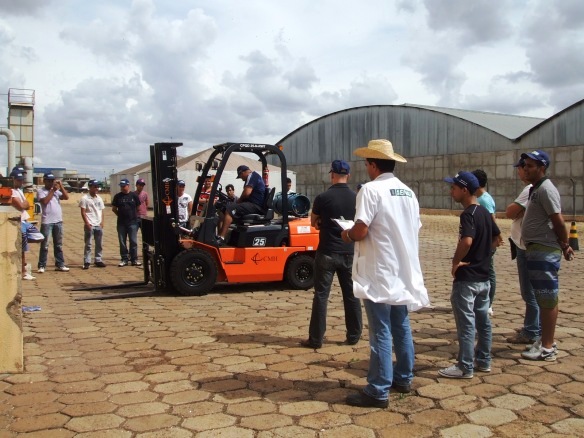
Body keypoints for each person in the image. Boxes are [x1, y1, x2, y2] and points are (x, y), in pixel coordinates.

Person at [341, 139, 429, 408]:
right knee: (401, 325)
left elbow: (361, 229)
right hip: (402, 268)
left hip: (379, 269)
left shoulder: (370, 190)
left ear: (373, 165)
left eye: (367, 164)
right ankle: (403, 377)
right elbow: (414, 227)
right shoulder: (408, 192)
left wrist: (347, 234)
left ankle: (378, 389)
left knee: (380, 329)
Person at [439, 171, 501, 379]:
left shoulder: (468, 214)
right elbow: (497, 238)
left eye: (454, 188)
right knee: (483, 322)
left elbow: (466, 241)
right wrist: (483, 255)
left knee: (466, 324)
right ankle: (484, 360)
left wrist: (456, 261)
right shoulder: (484, 212)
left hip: (467, 279)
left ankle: (465, 366)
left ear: (464, 190)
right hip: (483, 278)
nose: (451, 192)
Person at [301, 160, 362, 350]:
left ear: (332, 175)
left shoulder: (323, 197)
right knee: (351, 295)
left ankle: (316, 339)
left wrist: (322, 222)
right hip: (349, 251)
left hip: (327, 251)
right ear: (348, 176)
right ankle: (354, 335)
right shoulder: (357, 198)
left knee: (321, 295)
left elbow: (313, 222)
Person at [519, 150, 574, 361]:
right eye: (525, 165)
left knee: (547, 296)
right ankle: (544, 339)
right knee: (543, 297)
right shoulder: (536, 189)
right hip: (536, 249)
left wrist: (565, 244)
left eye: (530, 166)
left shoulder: (546, 189)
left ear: (542, 168)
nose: (525, 169)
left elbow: (558, 221)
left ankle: (548, 347)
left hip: (544, 250)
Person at [505, 158, 539, 344]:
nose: (521, 171)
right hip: (523, 244)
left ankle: (532, 331)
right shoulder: (531, 189)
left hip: (526, 247)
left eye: (523, 168)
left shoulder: (530, 190)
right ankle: (533, 325)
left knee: (529, 292)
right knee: (532, 291)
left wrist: (516, 210)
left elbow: (510, 212)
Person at [472, 169, 501, 315]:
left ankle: (488, 304)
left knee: (489, 272)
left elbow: (491, 220)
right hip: (485, 241)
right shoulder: (483, 197)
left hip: (487, 242)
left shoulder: (484, 199)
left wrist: (495, 237)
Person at [216, 165, 265, 245]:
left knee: (230, 209)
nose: (242, 179)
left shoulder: (252, 176)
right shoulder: (251, 177)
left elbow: (246, 193)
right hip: (249, 204)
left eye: (240, 176)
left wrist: (238, 201)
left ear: (242, 173)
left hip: (255, 205)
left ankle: (222, 238)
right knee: (223, 209)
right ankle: (219, 235)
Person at [37, 172, 70, 273]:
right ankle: (42, 265)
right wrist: (53, 190)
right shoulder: (41, 191)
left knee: (58, 245)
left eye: (52, 181)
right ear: (44, 181)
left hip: (58, 221)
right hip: (47, 221)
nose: (51, 183)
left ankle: (60, 264)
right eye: (49, 181)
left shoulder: (56, 192)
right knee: (45, 245)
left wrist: (61, 186)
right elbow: (45, 201)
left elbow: (66, 197)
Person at [10, 169, 35, 280]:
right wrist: (23, 204)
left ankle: (23, 268)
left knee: (37, 237)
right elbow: (21, 206)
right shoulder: (11, 191)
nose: (21, 182)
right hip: (18, 221)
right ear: (13, 180)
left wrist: (24, 204)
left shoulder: (19, 191)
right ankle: (23, 271)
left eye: (22, 180)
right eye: (19, 180)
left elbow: (27, 205)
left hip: (24, 221)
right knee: (21, 248)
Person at [112, 178, 142, 267]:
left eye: (124, 186)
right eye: (121, 186)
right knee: (122, 242)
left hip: (132, 223)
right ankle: (124, 259)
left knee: (133, 241)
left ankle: (134, 259)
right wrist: (120, 215)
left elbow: (138, 207)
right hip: (121, 223)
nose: (122, 188)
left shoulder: (134, 196)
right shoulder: (117, 196)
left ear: (128, 186)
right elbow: (114, 209)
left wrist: (132, 215)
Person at [79, 179, 106, 269]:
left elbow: (102, 211)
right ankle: (87, 261)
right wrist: (87, 223)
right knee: (88, 244)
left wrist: (102, 222)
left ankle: (98, 260)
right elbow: (83, 212)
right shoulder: (85, 198)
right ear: (90, 187)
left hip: (98, 224)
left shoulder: (99, 198)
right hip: (90, 224)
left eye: (97, 186)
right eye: (95, 187)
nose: (97, 188)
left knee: (99, 244)